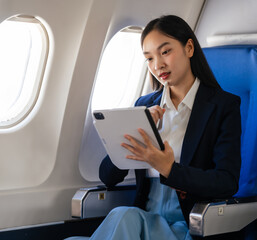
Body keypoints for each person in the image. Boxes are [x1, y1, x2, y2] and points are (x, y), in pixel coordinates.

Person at [67, 15, 241, 240]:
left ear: (189, 48)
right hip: (143, 223)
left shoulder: (223, 106)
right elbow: (108, 176)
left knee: (124, 216)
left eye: (165, 52)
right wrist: (134, 131)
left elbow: (226, 182)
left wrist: (170, 169)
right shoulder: (144, 105)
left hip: (188, 225)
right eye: (149, 58)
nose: (157, 65)